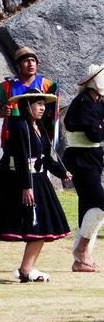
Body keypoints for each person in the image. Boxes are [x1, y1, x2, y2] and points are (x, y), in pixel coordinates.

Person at [0, 90, 70, 281]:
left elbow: (45, 157)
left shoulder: (38, 125)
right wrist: (26, 186)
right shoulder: (19, 126)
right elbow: (22, 158)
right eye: (38, 104)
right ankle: (25, 269)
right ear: (27, 106)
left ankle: (27, 269)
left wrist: (62, 172)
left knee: (43, 227)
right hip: (23, 182)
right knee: (36, 227)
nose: (42, 108)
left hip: (40, 181)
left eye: (43, 104)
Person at [63, 63, 104, 272]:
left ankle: (81, 259)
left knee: (89, 206)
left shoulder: (97, 101)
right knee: (100, 203)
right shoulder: (83, 101)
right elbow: (95, 134)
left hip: (93, 157)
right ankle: (81, 249)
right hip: (81, 158)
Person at [0, 46, 57, 146]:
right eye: (26, 61)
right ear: (19, 65)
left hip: (41, 136)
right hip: (14, 136)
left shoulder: (49, 86)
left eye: (33, 60)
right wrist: (3, 111)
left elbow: (54, 115)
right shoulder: (7, 86)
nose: (31, 64)